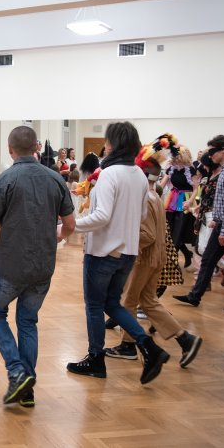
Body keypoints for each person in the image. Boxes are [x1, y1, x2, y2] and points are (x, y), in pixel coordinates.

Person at [0, 125, 75, 407]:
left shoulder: (5, 180)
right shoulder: (56, 179)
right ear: (36, 148)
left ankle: (17, 371)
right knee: (27, 321)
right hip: (43, 265)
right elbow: (70, 225)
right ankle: (27, 390)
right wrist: (57, 235)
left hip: (11, 265)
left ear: (10, 150)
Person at [67, 121, 170, 384]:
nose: (105, 145)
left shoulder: (109, 174)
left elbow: (101, 216)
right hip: (128, 252)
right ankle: (149, 346)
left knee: (94, 306)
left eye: (107, 141)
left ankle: (95, 358)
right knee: (112, 303)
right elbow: (142, 214)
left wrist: (70, 226)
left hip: (103, 252)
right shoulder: (139, 175)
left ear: (113, 144)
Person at [104, 148, 202, 369]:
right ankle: (185, 339)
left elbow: (146, 235)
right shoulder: (154, 195)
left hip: (144, 259)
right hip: (155, 257)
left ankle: (128, 346)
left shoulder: (146, 198)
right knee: (148, 301)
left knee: (128, 301)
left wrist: (122, 239)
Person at [174, 135, 224, 312]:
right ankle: (195, 296)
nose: (210, 155)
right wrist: (217, 220)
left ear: (223, 151)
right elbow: (222, 201)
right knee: (208, 260)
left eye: (212, 151)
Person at [162, 146, 197, 268]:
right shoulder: (171, 169)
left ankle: (171, 264)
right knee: (171, 232)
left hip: (185, 201)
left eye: (176, 156)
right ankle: (186, 254)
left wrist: (190, 201)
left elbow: (195, 189)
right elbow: (161, 185)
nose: (174, 159)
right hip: (173, 200)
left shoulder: (190, 170)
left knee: (179, 232)